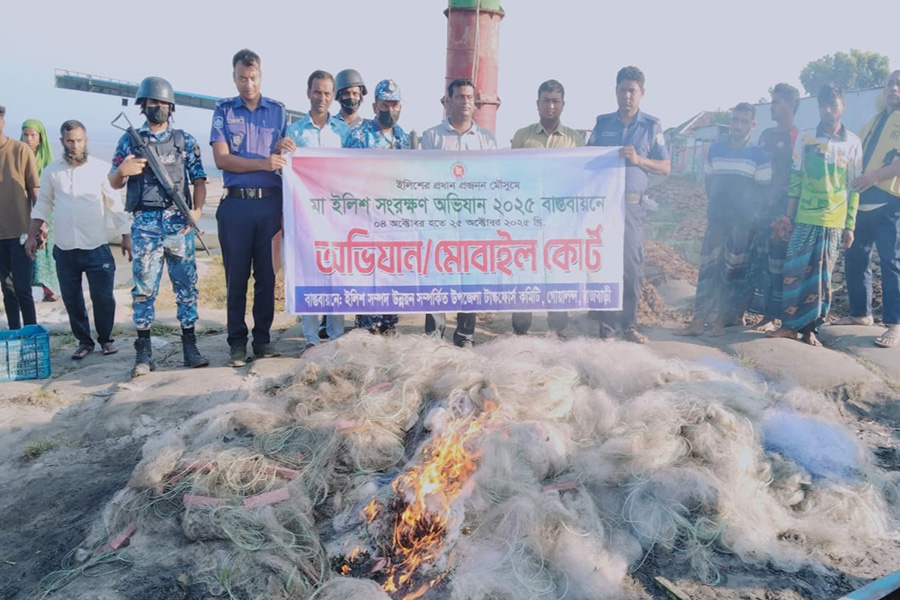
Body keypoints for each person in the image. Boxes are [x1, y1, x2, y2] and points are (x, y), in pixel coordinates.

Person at [110, 76, 210, 377]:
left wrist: (197, 210)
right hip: (146, 223)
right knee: (143, 289)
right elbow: (113, 180)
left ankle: (190, 347)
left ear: (171, 107)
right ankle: (143, 352)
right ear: (143, 106)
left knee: (186, 287)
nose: (158, 108)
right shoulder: (129, 139)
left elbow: (200, 179)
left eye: (163, 104)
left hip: (179, 224)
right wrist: (122, 171)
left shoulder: (185, 140)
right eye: (152, 103)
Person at [26, 120, 132, 358]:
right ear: (62, 142)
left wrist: (126, 236)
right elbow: (42, 204)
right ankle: (84, 341)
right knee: (72, 299)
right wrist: (31, 236)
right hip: (65, 248)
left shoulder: (101, 168)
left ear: (86, 141)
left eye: (79, 140)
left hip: (96, 246)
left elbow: (115, 204)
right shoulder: (52, 171)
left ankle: (106, 339)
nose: (75, 145)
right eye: (70, 141)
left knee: (103, 297)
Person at [211, 49, 289, 367]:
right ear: (234, 77)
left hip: (270, 204)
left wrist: (288, 149)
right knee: (237, 277)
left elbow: (286, 158)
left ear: (261, 76)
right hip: (236, 206)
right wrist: (263, 163)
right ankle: (236, 343)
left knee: (267, 278)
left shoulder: (279, 112)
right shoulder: (223, 110)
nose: (248, 84)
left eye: (253, 77)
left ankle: (263, 339)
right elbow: (222, 159)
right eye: (242, 77)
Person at [768, 84, 862, 346]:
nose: (828, 110)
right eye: (823, 105)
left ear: (843, 106)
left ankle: (810, 330)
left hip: (833, 222)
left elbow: (854, 187)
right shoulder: (807, 138)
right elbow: (796, 178)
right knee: (793, 272)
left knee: (820, 280)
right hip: (804, 217)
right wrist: (788, 216)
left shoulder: (853, 142)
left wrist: (850, 225)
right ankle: (788, 326)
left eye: (833, 104)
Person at [587, 66, 670, 344]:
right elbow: (584, 160)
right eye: (622, 90)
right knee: (605, 265)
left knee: (633, 267)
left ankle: (630, 325)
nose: (627, 96)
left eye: (632, 91)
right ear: (615, 92)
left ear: (642, 93)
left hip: (633, 208)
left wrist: (638, 161)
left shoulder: (651, 126)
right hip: (605, 208)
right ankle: (607, 329)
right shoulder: (603, 124)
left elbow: (665, 166)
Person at [676, 103, 771, 337]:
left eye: (743, 121)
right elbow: (709, 183)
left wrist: (749, 217)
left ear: (752, 124)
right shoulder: (716, 150)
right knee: (708, 270)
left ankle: (721, 322)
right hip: (717, 220)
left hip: (743, 225)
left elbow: (763, 192)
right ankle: (697, 322)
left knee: (732, 272)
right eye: (735, 120)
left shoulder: (759, 155)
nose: (737, 126)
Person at [421, 77, 498, 347]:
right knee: (437, 274)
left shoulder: (487, 140)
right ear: (448, 101)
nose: (465, 102)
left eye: (469, 97)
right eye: (459, 97)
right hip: (440, 219)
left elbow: (492, 180)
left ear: (475, 103)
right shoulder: (432, 137)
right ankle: (434, 336)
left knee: (470, 275)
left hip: (473, 220)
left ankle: (464, 335)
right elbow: (425, 179)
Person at [509, 79, 585, 338]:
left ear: (563, 105)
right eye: (545, 101)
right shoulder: (522, 136)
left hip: (561, 219)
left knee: (557, 271)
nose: (550, 106)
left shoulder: (575, 139)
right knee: (526, 270)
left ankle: (557, 328)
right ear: (537, 104)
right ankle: (521, 328)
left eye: (555, 101)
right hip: (527, 216)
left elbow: (582, 178)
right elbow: (512, 175)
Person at [282, 70, 351, 349]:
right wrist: (281, 150)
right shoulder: (294, 132)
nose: (321, 97)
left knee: (336, 273)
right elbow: (286, 171)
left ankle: (335, 337)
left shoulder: (343, 132)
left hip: (337, 216)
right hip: (307, 216)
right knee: (308, 274)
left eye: (326, 93)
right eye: (317, 92)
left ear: (333, 97)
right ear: (308, 93)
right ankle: (310, 338)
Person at [832, 70, 900, 348]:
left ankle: (894, 324)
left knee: (891, 261)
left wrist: (873, 177)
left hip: (889, 201)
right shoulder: (872, 121)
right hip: (860, 200)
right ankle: (861, 314)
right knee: (856, 255)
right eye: (890, 84)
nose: (893, 88)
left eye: (899, 85)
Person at [347, 79, 410, 335]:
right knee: (367, 275)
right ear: (375, 105)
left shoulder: (403, 137)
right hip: (366, 220)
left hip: (394, 223)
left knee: (390, 273)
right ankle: (365, 328)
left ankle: (388, 325)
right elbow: (348, 177)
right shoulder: (359, 135)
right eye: (385, 104)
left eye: (395, 104)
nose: (390, 109)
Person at [753, 83, 801, 332]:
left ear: (791, 105)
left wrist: (789, 214)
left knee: (779, 265)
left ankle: (775, 316)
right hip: (760, 209)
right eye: (771, 102)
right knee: (760, 263)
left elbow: (798, 176)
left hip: (783, 212)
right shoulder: (765, 135)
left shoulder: (798, 137)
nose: (772, 106)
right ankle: (760, 313)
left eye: (777, 102)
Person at [0, 104, 40, 331]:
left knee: (23, 287)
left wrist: (39, 228)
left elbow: (35, 190)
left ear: (3, 122)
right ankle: (14, 334)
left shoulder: (20, 150)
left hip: (22, 232)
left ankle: (32, 332)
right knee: (7, 289)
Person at [21, 119, 59, 303]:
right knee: (23, 248)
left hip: (45, 210)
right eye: (25, 135)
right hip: (22, 208)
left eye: (33, 135)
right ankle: (22, 289)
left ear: (40, 138)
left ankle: (49, 290)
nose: (29, 139)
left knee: (45, 250)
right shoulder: (16, 156)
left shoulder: (47, 161)